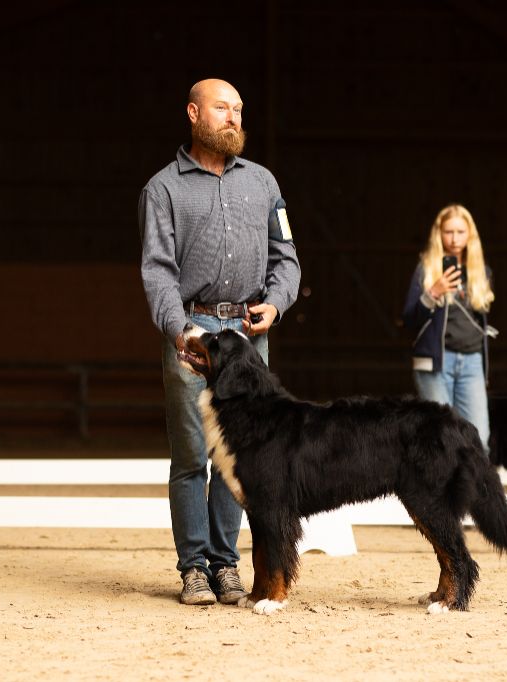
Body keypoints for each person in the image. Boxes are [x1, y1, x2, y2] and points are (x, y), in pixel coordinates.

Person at [138, 78, 301, 606]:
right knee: (191, 457)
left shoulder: (264, 183)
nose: (233, 117)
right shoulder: (162, 189)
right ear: (192, 113)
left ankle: (226, 565)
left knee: (239, 457)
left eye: (238, 109)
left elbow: (287, 258)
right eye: (221, 108)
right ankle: (193, 569)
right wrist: (177, 329)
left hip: (248, 337)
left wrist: (276, 302)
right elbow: (158, 272)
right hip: (193, 335)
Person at [402, 203, 495, 454]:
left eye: (460, 232)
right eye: (449, 232)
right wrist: (433, 293)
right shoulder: (426, 269)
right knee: (440, 437)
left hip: (471, 361)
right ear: (439, 234)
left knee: (479, 439)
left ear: (470, 235)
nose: (454, 239)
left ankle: (474, 493)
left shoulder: (480, 272)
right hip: (435, 363)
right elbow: (409, 319)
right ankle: (441, 493)